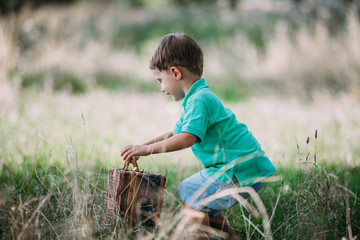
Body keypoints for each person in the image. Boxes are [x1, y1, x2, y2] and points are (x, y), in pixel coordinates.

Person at [120, 32, 277, 239]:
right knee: (199, 202)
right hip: (238, 167)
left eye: (160, 80)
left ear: (175, 73)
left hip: (237, 169)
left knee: (190, 193)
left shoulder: (200, 100)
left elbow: (187, 137)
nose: (161, 89)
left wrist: (147, 151)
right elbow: (173, 133)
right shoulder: (195, 99)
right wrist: (141, 146)